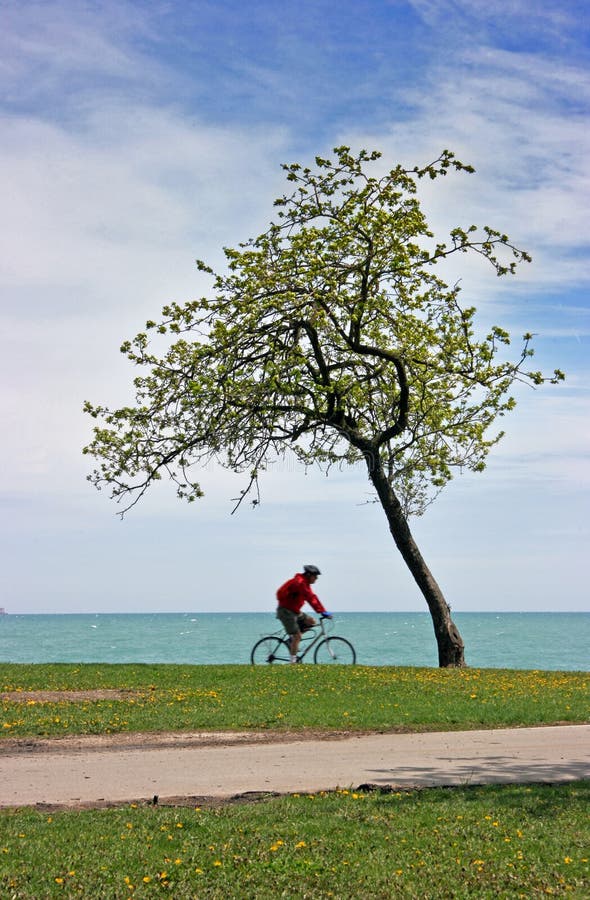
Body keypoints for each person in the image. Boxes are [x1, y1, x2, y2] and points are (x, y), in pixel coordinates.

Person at [276, 565, 332, 663]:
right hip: (285, 611)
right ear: (309, 575)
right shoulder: (300, 583)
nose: (317, 578)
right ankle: (293, 663)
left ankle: (291, 641)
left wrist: (322, 610)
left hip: (294, 611)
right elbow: (310, 598)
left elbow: (312, 597)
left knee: (311, 621)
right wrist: (322, 611)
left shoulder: (305, 583)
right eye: (315, 576)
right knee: (297, 636)